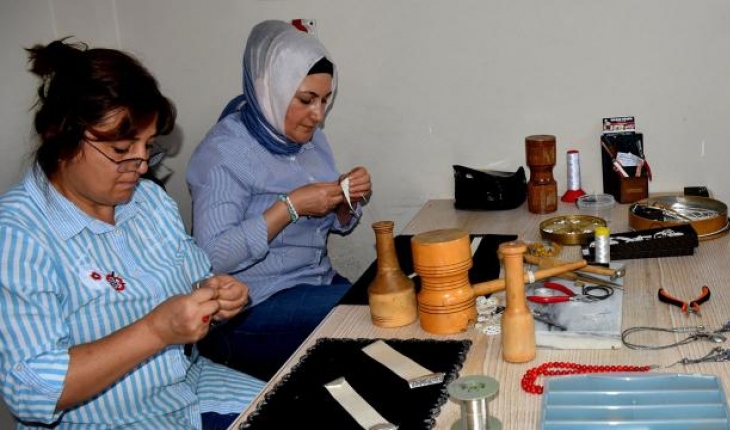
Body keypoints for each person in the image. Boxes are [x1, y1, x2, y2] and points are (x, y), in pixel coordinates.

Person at [0, 39, 263, 430]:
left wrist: (216, 295)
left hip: (188, 389)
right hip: (104, 420)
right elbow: (31, 390)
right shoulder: (17, 234)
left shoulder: (148, 201)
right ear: (61, 138)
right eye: (122, 149)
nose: (141, 167)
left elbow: (194, 280)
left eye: (148, 146)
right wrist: (155, 331)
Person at [186, 20, 372, 381]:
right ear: (269, 88)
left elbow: (330, 222)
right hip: (250, 307)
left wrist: (345, 198)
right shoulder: (223, 153)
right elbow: (210, 256)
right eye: (306, 100)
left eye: (325, 100)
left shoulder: (310, 140)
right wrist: (289, 207)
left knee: (386, 301)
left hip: (315, 283)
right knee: (364, 317)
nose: (318, 115)